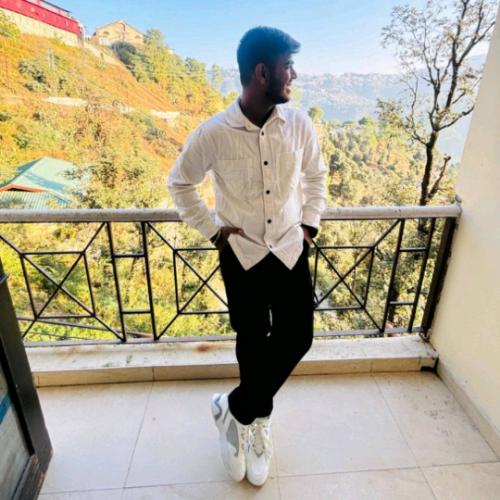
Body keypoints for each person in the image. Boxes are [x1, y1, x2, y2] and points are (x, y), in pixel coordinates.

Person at [167, 26, 327, 486]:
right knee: (252, 339)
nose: (293, 74)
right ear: (262, 73)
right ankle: (256, 425)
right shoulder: (213, 133)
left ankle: (235, 409)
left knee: (298, 336)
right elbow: (180, 183)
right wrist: (211, 229)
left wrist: (310, 222)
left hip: (291, 248)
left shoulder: (299, 124)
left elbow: (316, 176)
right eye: (286, 66)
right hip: (242, 253)